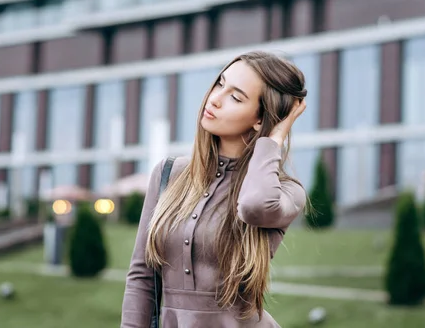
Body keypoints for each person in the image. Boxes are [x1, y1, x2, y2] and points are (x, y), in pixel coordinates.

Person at [121, 50, 308, 327]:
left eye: (235, 96)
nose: (215, 98)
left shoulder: (285, 192)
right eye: (220, 83)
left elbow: (255, 207)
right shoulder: (168, 173)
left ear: (261, 119)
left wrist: (274, 139)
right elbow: (141, 276)